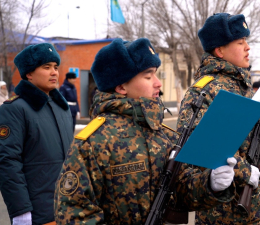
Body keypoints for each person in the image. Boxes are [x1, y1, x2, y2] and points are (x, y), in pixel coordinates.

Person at [54, 38, 237, 224]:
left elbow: (181, 189)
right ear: (121, 86)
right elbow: (74, 212)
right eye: (148, 76)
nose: (158, 83)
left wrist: (210, 184)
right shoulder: (93, 142)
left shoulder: (163, 135)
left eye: (155, 75)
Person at [177, 13, 260, 224]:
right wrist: (242, 171)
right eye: (240, 42)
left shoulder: (243, 88)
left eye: (246, 41)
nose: (247, 47)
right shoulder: (204, 92)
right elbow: (199, 151)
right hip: (229, 213)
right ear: (220, 50)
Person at [0, 43, 73, 225]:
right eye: (46, 67)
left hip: (69, 209)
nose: (54, 72)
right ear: (29, 73)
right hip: (38, 212)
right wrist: (21, 211)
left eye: (55, 67)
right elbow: (7, 162)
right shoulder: (15, 109)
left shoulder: (62, 109)